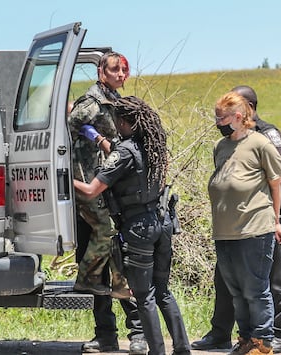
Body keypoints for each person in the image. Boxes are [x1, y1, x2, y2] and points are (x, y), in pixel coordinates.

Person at [73, 96, 191, 355]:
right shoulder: (153, 147)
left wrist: (63, 180)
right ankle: (182, 350)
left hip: (139, 229)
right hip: (162, 222)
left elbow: (92, 190)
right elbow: (122, 155)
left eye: (117, 121)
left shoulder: (124, 151)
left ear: (125, 122)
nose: (114, 125)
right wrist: (99, 140)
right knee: (163, 292)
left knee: (143, 294)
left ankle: (157, 352)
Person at [191, 86, 281, 353]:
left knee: (257, 290)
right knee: (235, 291)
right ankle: (245, 339)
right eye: (217, 118)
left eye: (222, 118)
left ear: (238, 116)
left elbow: (277, 183)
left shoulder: (261, 142)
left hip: (254, 227)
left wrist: (276, 220)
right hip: (225, 231)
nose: (218, 124)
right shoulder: (220, 146)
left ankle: (263, 342)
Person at [68, 52, 146, 354]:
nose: (121, 74)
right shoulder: (93, 99)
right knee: (100, 259)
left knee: (118, 258)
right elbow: (74, 121)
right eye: (116, 69)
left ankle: (136, 332)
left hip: (109, 189)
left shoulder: (114, 99)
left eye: (125, 70)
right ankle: (105, 333)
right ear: (102, 72)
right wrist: (98, 137)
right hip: (90, 188)